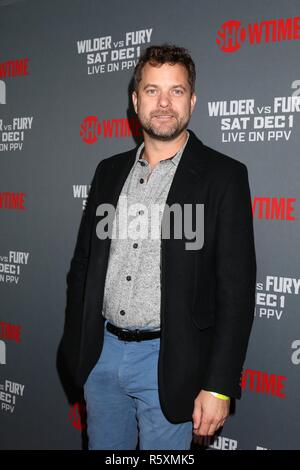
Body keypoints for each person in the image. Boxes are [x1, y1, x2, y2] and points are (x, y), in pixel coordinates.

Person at [60, 44, 256, 450]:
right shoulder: (108, 171)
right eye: (152, 91)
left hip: (171, 361)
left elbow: (236, 291)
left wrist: (219, 385)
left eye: (176, 91)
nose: (164, 103)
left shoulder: (224, 177)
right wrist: (77, 348)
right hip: (102, 356)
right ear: (135, 101)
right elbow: (83, 265)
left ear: (192, 100)